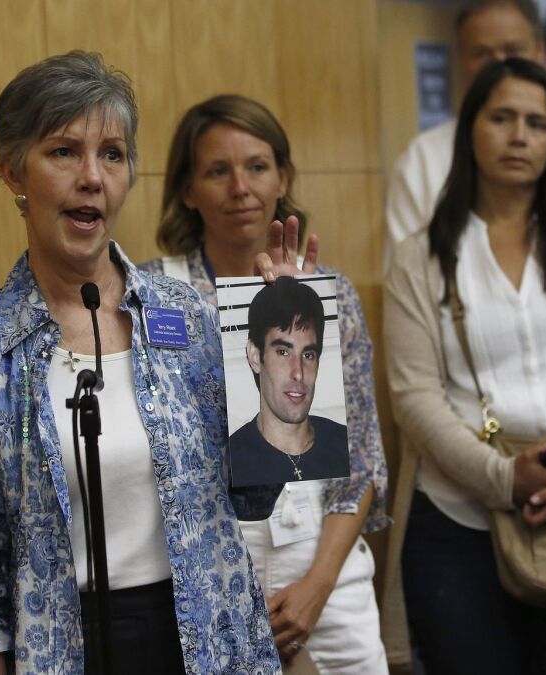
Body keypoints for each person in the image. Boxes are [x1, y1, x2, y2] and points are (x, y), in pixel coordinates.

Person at [0, 52, 300, 674]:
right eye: (64, 152)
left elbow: (257, 495)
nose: (93, 177)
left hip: (209, 643)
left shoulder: (192, 321)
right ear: (12, 172)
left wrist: (282, 351)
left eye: (113, 154)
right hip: (67, 648)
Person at [384, 57, 546, 674]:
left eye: (537, 122)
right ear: (469, 129)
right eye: (501, 117)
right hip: (459, 516)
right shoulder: (420, 256)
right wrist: (503, 479)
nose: (519, 135)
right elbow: (415, 397)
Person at [144, 94, 390, 674]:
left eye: (256, 166)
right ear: (186, 189)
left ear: (283, 177)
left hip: (326, 565)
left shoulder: (330, 291)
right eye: (216, 170)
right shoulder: (155, 296)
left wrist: (318, 584)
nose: (240, 188)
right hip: (211, 570)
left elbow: (363, 462)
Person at [384, 0, 546, 273]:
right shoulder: (422, 158)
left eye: (513, 50)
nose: (500, 64)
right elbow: (404, 275)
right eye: (483, 54)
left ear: (541, 49)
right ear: (462, 57)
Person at [229, 276, 351, 486]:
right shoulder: (232, 461)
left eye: (308, 355)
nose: (299, 374)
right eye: (283, 352)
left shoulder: (343, 443)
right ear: (255, 356)